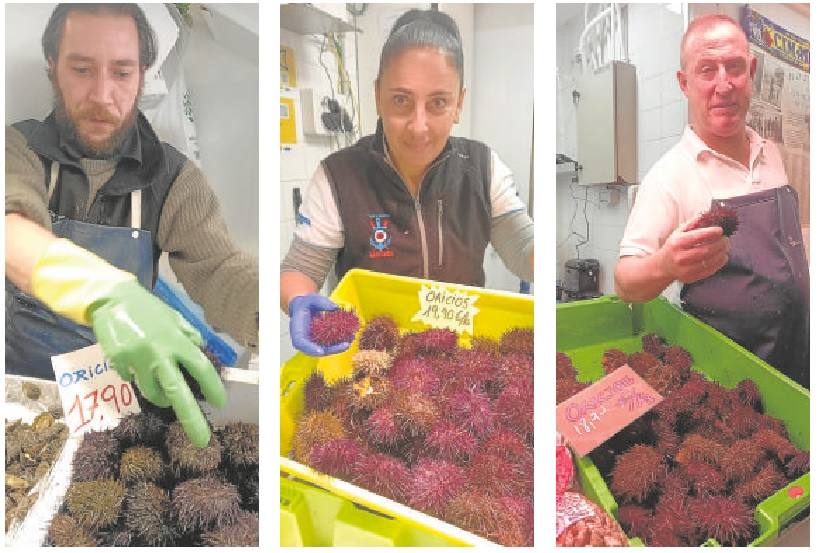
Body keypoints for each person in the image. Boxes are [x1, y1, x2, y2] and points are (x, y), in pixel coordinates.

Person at [6, 4, 259, 446]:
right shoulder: (18, 149)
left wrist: (283, 314)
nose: (103, 95)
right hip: (26, 404)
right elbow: (10, 229)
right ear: (53, 69)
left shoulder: (174, 179)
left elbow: (221, 270)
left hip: (124, 410)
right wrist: (106, 295)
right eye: (82, 69)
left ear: (143, 74)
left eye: (122, 73)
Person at [280, 8, 534, 356]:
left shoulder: (483, 167)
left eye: (438, 103)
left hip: (462, 361)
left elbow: (524, 249)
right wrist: (298, 300)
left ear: (459, 103)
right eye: (401, 100)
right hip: (369, 364)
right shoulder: (338, 176)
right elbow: (299, 269)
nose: (418, 127)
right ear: (377, 95)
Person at [614, 14, 808, 388]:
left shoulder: (773, 153)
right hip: (728, 383)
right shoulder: (670, 175)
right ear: (684, 83)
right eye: (707, 70)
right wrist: (667, 264)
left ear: (751, 71)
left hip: (799, 361)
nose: (724, 85)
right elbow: (625, 283)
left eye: (734, 67)